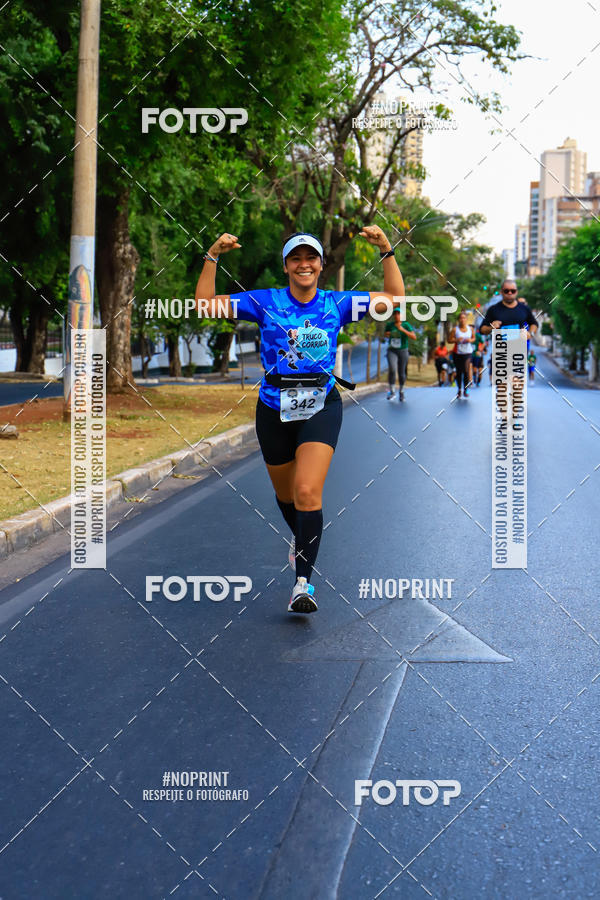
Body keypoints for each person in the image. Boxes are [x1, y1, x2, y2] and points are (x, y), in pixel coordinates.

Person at [195, 227, 404, 614]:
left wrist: (386, 249)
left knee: (308, 491)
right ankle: (303, 541)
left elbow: (394, 299)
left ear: (321, 265)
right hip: (273, 408)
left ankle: (302, 584)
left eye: (311, 258)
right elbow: (205, 305)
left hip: (321, 404)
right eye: (296, 258)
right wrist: (212, 255)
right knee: (287, 496)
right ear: (287, 266)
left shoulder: (337, 304)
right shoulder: (264, 301)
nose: (304, 264)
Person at [383, 307, 416, 400]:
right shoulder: (390, 324)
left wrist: (402, 329)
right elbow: (385, 334)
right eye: (395, 314)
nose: (397, 315)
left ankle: (401, 391)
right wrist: (389, 333)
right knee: (392, 369)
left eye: (398, 314)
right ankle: (392, 392)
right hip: (392, 350)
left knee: (401, 372)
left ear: (402, 315)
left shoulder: (406, 325)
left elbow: (414, 336)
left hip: (403, 350)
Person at [453, 311, 475, 398]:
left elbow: (473, 338)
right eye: (461, 318)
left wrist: (470, 340)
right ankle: (459, 389)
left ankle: (465, 389)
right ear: (458, 319)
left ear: (466, 319)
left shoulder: (470, 329)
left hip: (468, 352)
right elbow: (449, 340)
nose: (462, 320)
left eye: (464, 318)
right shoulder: (455, 329)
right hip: (458, 353)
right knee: (459, 372)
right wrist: (457, 340)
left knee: (466, 371)